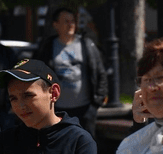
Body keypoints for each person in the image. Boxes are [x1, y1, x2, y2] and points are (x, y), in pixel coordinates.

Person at [35, 8, 108, 138]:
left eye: (72, 21)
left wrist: (96, 103)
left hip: (85, 110)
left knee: (85, 143)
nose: (70, 25)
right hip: (57, 110)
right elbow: (37, 75)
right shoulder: (47, 47)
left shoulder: (86, 44)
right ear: (55, 25)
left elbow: (100, 73)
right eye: (66, 21)